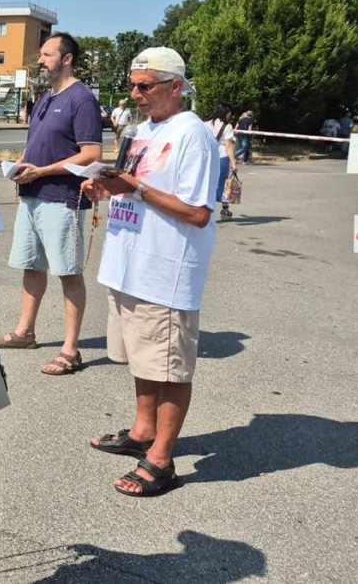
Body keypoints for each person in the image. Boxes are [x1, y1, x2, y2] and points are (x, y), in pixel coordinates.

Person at [82, 47, 217, 497]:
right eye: (133, 85)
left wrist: (134, 186)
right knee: (143, 360)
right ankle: (142, 432)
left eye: (146, 86)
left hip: (165, 271)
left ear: (175, 86)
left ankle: (162, 458)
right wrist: (106, 188)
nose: (135, 94)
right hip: (127, 265)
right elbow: (136, 187)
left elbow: (198, 212)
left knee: (169, 368)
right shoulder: (142, 131)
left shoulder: (192, 136)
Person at [0, 32, 103, 375]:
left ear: (66, 58)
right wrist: (21, 166)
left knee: (68, 271)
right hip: (32, 196)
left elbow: (91, 154)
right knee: (32, 265)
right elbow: (35, 144)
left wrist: (41, 170)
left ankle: (71, 350)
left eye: (46, 54)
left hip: (62, 198)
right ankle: (25, 332)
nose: (40, 60)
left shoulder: (81, 99)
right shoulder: (44, 98)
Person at [205, 104, 238, 220]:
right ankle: (224, 211)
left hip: (207, 158)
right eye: (229, 113)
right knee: (224, 185)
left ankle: (207, 211)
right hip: (221, 157)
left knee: (208, 185)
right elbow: (228, 146)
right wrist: (233, 162)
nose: (230, 115)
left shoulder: (205, 124)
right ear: (225, 113)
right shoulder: (227, 126)